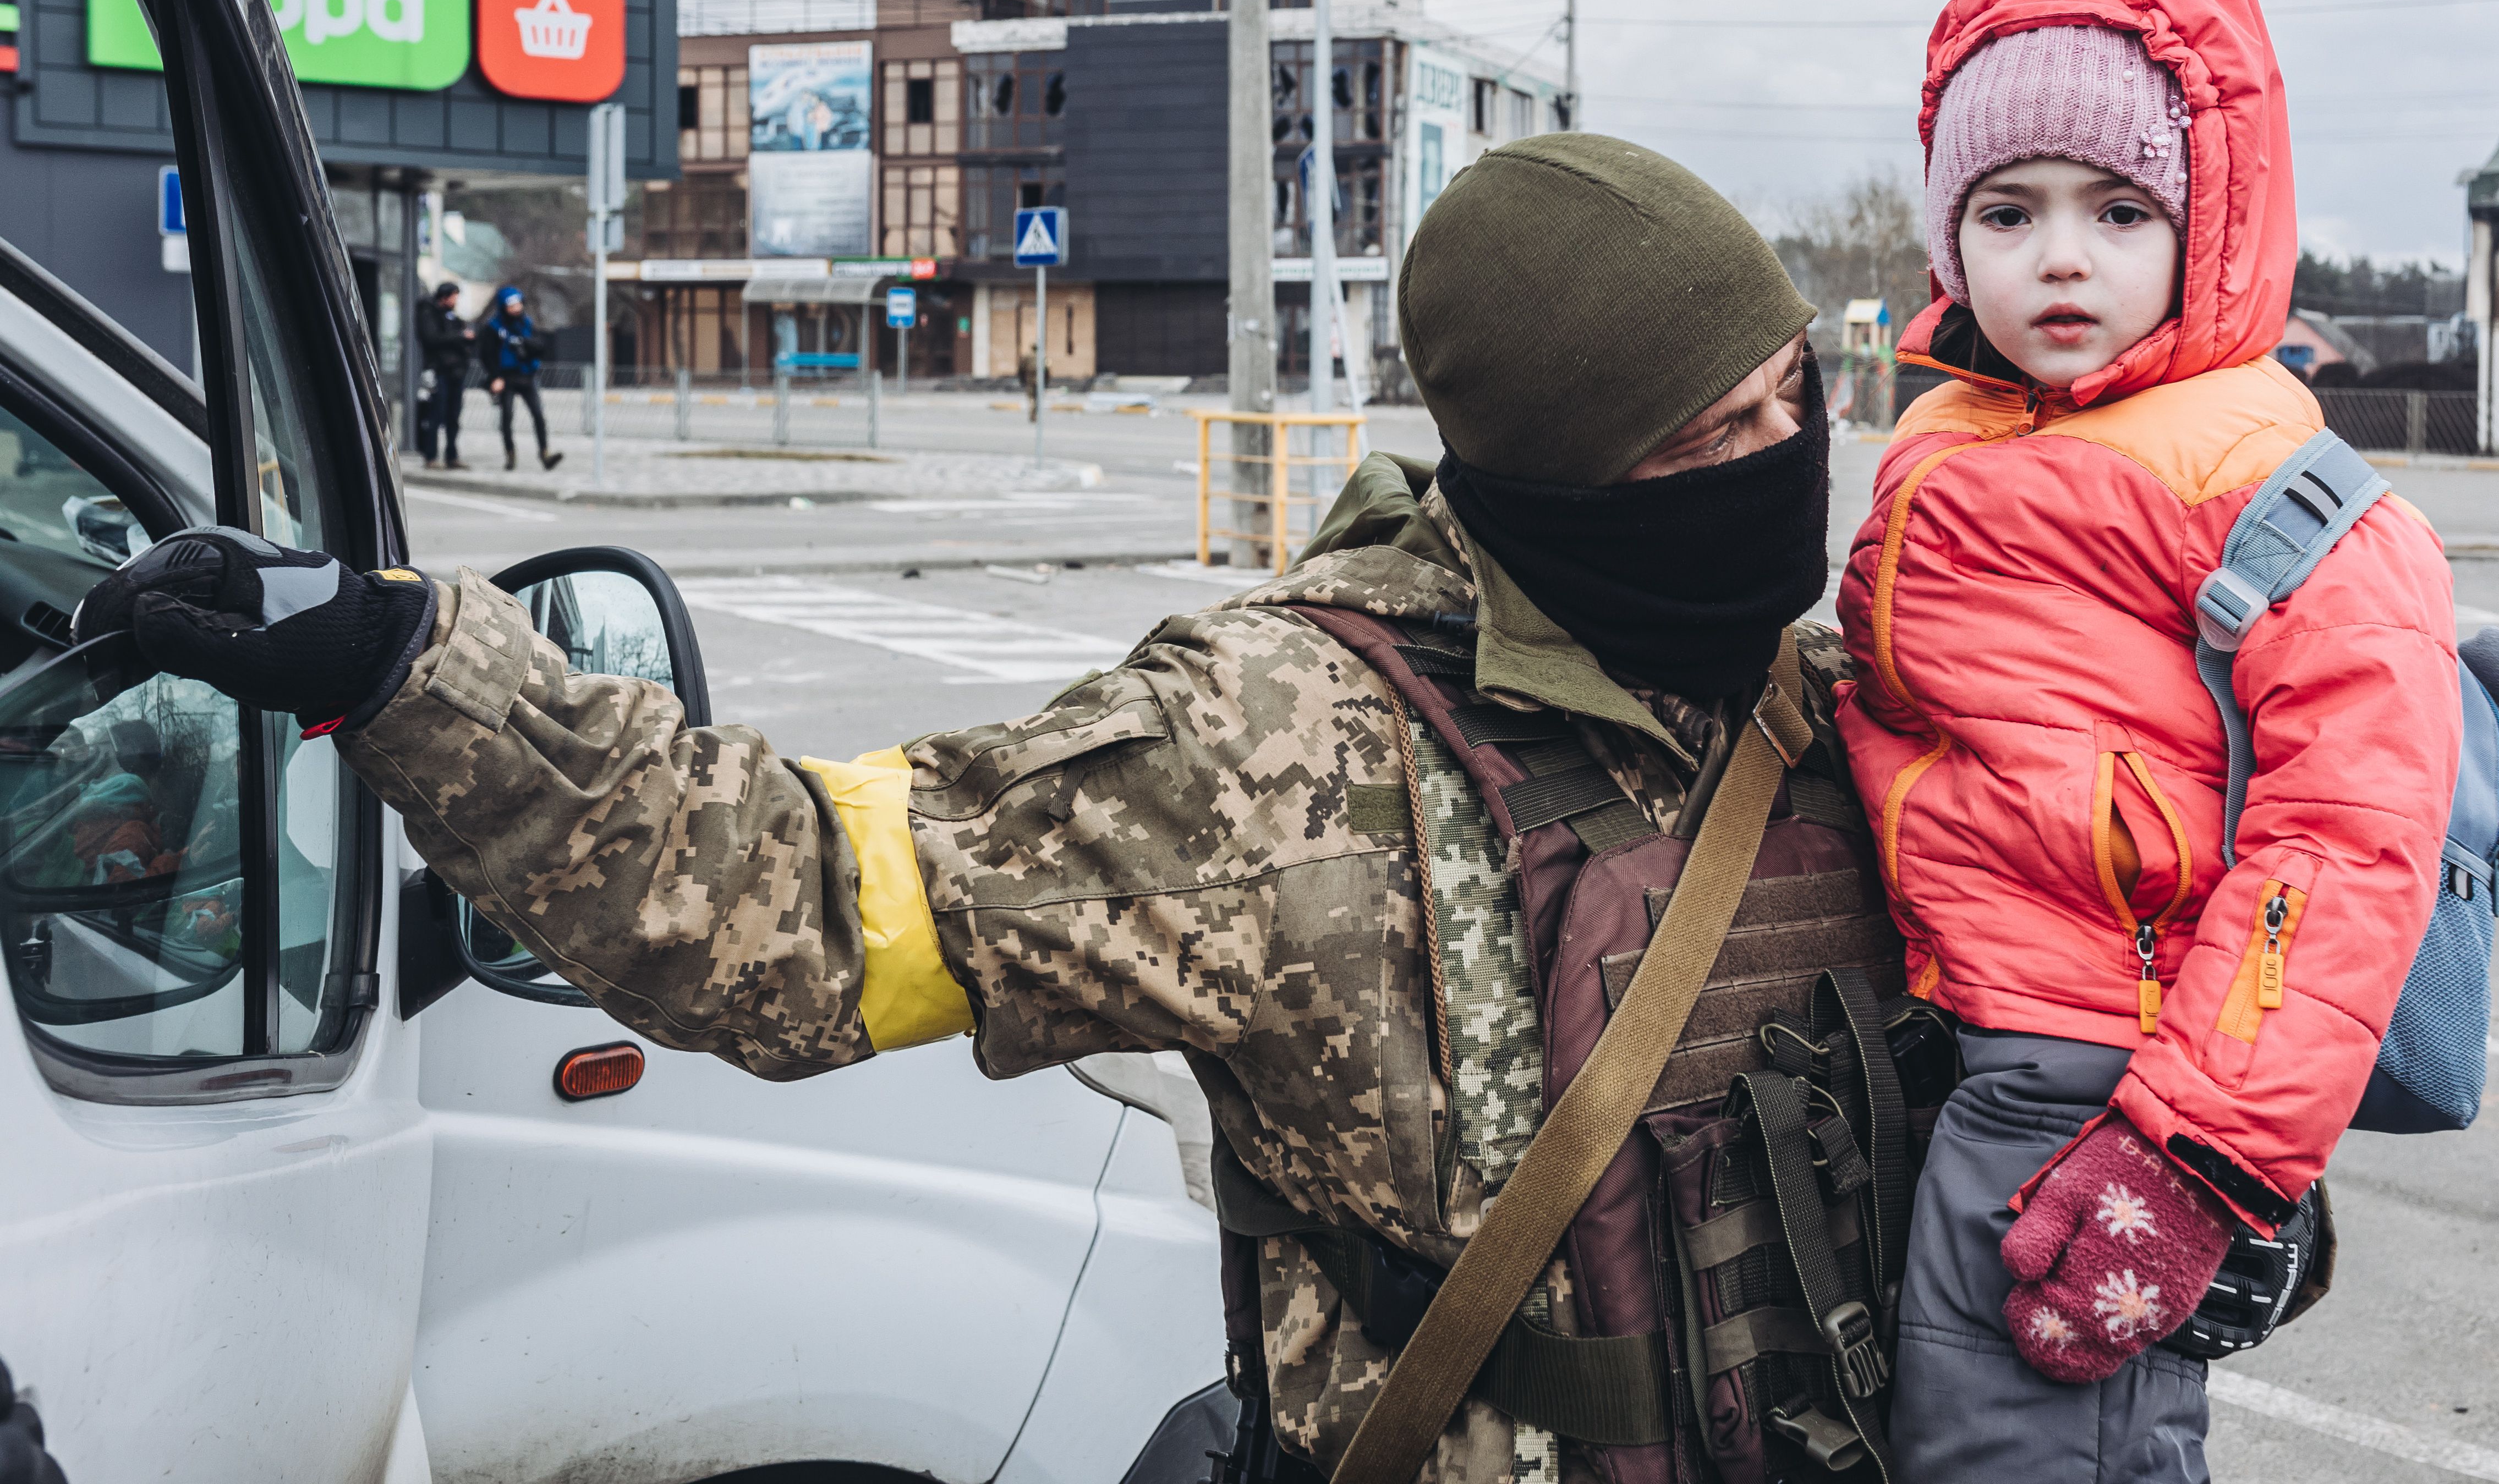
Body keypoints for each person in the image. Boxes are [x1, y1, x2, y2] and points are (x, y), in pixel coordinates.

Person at [77, 134, 1901, 1484]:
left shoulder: (1820, 696)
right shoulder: (1276, 746)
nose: (1773, 464)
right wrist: (411, 665)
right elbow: (788, 905)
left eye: (1790, 399)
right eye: (1699, 436)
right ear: (1554, 463)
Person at [1837, 0, 2459, 1481]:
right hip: (1953, 1025)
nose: (2060, 255)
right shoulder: (1963, 434)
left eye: (2121, 208)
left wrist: (2199, 1154)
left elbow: (2346, 847)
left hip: (2101, 1077)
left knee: (2026, 1455)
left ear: (2215, 218)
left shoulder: (2267, 484)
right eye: (2007, 208)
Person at [476, 284, 560, 472]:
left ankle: (545, 453)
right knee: (507, 418)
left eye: (518, 305)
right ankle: (510, 454)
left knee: (538, 415)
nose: (516, 309)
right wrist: (495, 377)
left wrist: (525, 344)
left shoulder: (527, 324)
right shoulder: (493, 328)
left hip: (527, 375)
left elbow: (540, 346)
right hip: (505, 378)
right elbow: (487, 355)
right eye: (511, 306)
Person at [414, 281, 474, 469]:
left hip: (455, 372)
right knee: (436, 414)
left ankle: (452, 455)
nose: (456, 300)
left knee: (453, 416)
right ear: (445, 296)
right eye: (454, 296)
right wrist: (460, 337)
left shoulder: (452, 318)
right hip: (438, 371)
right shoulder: (428, 313)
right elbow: (432, 339)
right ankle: (431, 456)